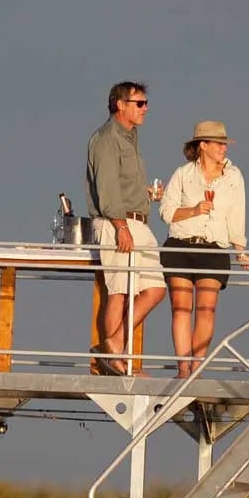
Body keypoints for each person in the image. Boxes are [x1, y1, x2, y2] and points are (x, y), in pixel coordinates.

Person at [158, 120, 249, 376]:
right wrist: (194, 210)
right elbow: (166, 212)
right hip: (181, 244)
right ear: (203, 146)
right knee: (180, 308)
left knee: (206, 309)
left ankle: (196, 367)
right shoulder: (183, 174)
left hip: (214, 248)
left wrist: (240, 249)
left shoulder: (233, 176)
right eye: (219, 143)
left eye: (225, 144)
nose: (224, 148)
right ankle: (183, 368)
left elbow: (237, 214)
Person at [86, 81, 166, 376]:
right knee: (118, 291)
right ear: (120, 104)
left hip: (136, 219)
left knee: (155, 288)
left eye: (145, 103)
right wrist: (121, 227)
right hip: (117, 222)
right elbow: (106, 189)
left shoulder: (130, 137)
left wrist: (145, 194)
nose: (145, 108)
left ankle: (113, 345)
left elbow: (120, 184)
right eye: (139, 103)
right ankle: (114, 357)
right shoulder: (107, 138)